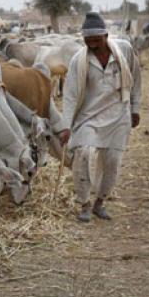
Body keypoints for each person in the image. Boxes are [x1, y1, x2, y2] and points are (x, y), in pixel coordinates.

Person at [57, 12, 142, 223]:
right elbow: (70, 94)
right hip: (89, 116)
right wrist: (66, 125)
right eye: (88, 40)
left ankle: (99, 203)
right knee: (83, 154)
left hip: (118, 113)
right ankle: (84, 203)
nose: (93, 44)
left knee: (113, 161)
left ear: (106, 35)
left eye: (97, 39)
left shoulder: (124, 50)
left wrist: (135, 108)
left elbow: (136, 79)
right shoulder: (79, 60)